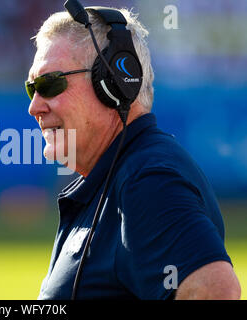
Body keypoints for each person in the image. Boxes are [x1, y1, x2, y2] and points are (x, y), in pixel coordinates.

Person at [26, 6, 241, 300]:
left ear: (113, 83)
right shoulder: (123, 175)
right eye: (31, 88)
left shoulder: (147, 179)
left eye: (49, 84)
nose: (34, 106)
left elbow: (215, 291)